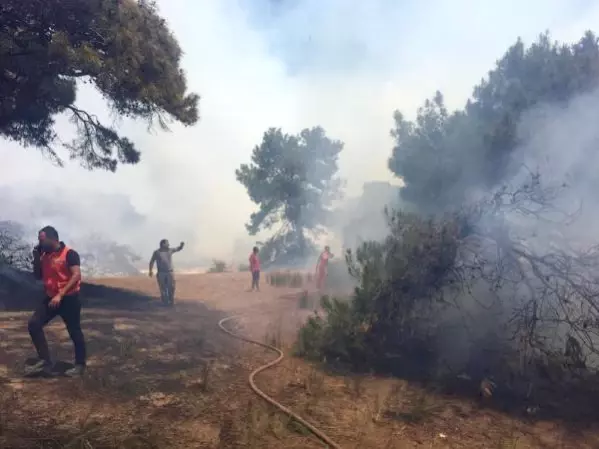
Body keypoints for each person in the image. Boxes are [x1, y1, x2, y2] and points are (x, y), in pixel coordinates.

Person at [26, 226, 86, 377]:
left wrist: (61, 294)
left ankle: (80, 365)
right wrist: (36, 259)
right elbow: (38, 276)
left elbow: (76, 275)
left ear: (53, 239)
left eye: (42, 239)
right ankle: (45, 360)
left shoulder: (70, 254)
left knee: (74, 332)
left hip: (69, 298)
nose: (40, 242)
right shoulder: (44, 255)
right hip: (51, 297)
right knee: (34, 324)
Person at [149, 239, 184, 305]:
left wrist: (181, 246)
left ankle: (171, 300)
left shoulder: (170, 250)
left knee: (172, 287)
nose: (169, 244)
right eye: (167, 243)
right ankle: (165, 301)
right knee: (163, 288)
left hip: (170, 272)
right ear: (163, 244)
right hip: (161, 273)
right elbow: (152, 261)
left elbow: (178, 249)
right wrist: (150, 271)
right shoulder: (157, 252)